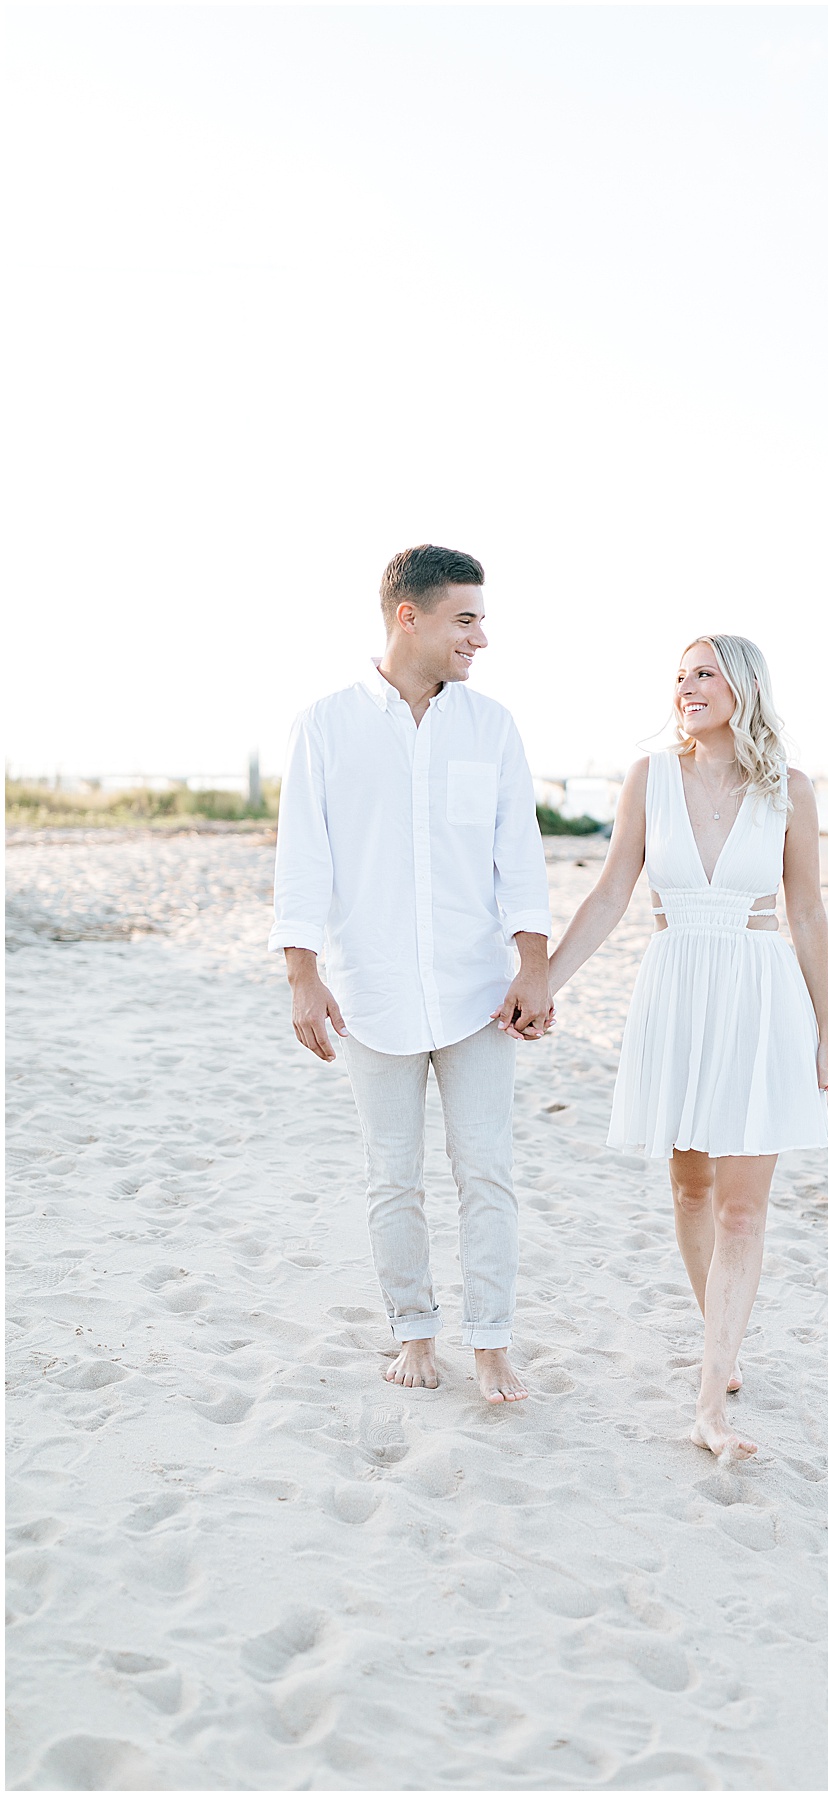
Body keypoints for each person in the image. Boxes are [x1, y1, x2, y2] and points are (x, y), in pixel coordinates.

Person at [548, 634, 828, 1458]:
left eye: (704, 672)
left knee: (743, 1206)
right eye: (679, 676)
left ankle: (711, 1401)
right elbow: (612, 891)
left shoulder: (791, 791)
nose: (687, 687)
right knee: (689, 1188)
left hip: (758, 995)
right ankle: (724, 1333)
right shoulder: (650, 780)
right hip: (677, 989)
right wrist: (545, 983)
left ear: (744, 685)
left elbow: (809, 914)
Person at [269, 545, 553, 1405]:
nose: (481, 638)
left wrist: (534, 968)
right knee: (392, 1173)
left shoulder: (491, 727)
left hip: (477, 993)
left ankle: (493, 1342)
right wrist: (302, 975)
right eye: (466, 619)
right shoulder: (325, 726)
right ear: (411, 618)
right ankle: (414, 1331)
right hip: (373, 989)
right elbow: (303, 859)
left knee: (486, 1169)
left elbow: (520, 856)